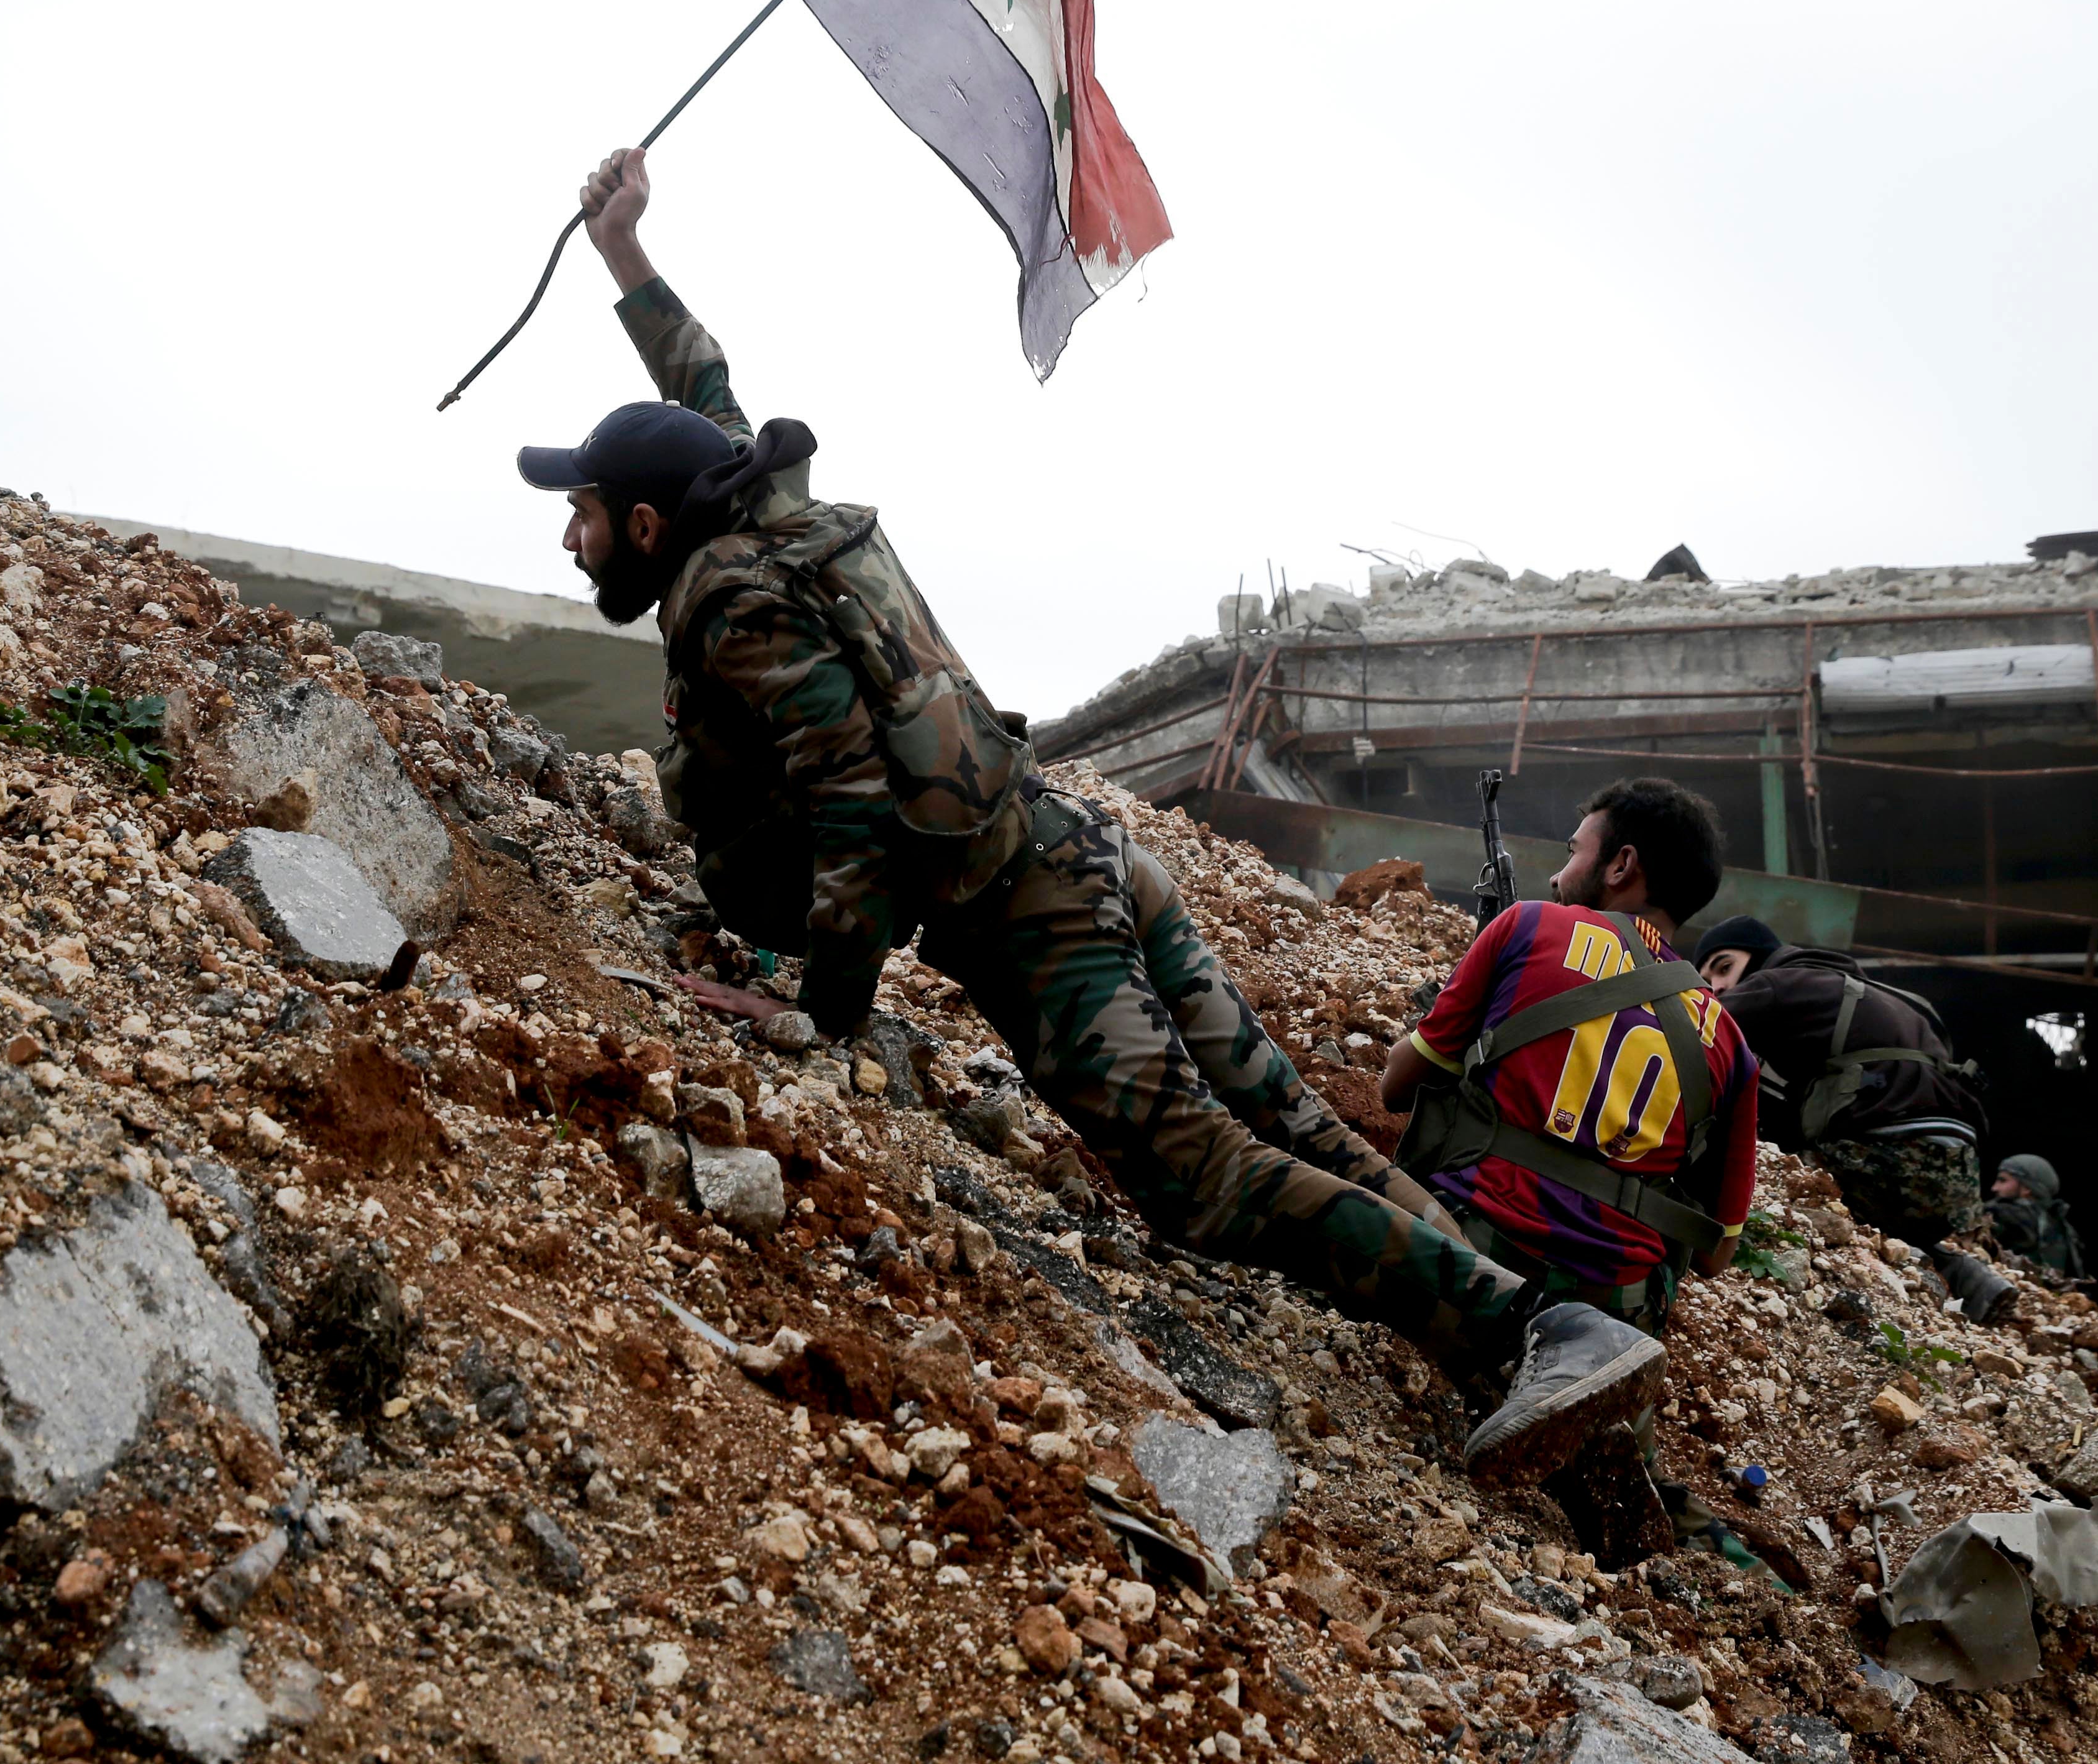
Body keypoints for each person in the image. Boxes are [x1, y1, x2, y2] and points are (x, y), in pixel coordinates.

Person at [518, 149, 1623, 1481]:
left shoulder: (724, 599)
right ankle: (1565, 1343)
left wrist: (826, 1008)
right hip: (1085, 846)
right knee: (1289, 1118)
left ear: (645, 524)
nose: (567, 540)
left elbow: (851, 796)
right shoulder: (764, 516)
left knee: (1203, 1175)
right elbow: (705, 400)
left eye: (579, 515)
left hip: (1033, 914)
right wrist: (628, 260)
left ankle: (1529, 1332)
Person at [1377, 778, 1762, 1484]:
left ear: (1621, 866)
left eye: (1572, 852)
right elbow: (1717, 1252)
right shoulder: (1731, 1041)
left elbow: (1395, 1088)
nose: (1558, 873)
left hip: (1474, 1253)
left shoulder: (1528, 926)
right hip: (1617, 1309)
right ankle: (1601, 1443)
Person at [1690, 918, 2017, 1321]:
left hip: (1886, 1166)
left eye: (1724, 968)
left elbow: (1692, 1033)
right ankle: (1952, 1267)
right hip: (1959, 1186)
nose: (1717, 986)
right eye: (1707, 979)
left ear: (1760, 958)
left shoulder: (1777, 983)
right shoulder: (1900, 1001)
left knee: (1770, 1170)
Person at [1988, 1153, 2087, 1279]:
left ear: (2026, 1188)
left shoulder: (2002, 1213)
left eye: (2003, 1180)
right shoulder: (2062, 1225)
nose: (1994, 1188)